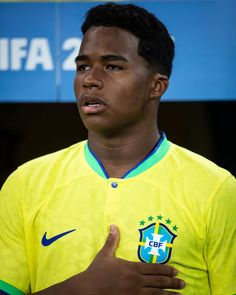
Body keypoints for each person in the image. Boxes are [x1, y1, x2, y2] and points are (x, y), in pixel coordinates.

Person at [0, 2, 235, 295]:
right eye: (83, 66)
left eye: (112, 66)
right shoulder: (25, 183)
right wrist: (82, 289)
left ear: (156, 86)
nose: (90, 79)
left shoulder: (216, 188)